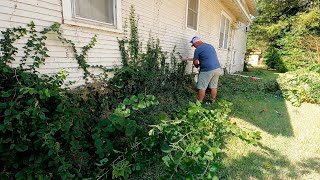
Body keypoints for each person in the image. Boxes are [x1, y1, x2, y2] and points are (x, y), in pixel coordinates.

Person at [189, 36, 222, 103]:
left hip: (207, 70)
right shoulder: (210, 46)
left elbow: (195, 61)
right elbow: (207, 57)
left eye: (193, 44)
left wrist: (197, 65)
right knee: (213, 86)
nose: (194, 46)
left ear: (196, 43)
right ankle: (213, 101)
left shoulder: (198, 49)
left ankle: (200, 102)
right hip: (217, 68)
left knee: (202, 86)